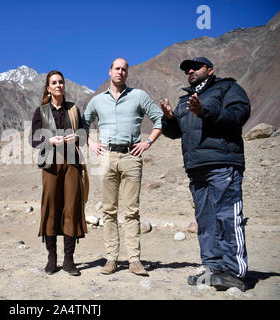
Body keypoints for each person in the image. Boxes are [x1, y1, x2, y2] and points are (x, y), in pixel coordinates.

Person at [160, 57, 250, 291]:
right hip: (196, 167)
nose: (190, 71)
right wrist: (169, 118)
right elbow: (176, 132)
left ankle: (234, 271)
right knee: (206, 220)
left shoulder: (228, 88)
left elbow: (238, 115)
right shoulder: (184, 100)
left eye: (195, 67)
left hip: (222, 163)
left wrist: (205, 110)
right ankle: (212, 267)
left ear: (210, 69)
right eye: (187, 69)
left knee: (228, 217)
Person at [82, 58, 163, 276]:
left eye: (124, 69)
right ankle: (111, 259)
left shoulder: (139, 96)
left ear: (127, 73)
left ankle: (135, 260)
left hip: (131, 157)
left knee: (132, 210)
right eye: (116, 68)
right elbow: (83, 123)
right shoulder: (97, 100)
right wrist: (91, 143)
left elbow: (159, 119)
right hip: (107, 156)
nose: (120, 72)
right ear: (109, 72)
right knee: (109, 210)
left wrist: (147, 142)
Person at [29, 70, 87, 276]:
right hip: (50, 166)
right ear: (48, 88)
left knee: (71, 207)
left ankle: (69, 260)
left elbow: (84, 133)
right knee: (51, 208)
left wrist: (77, 138)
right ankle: (52, 258)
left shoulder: (73, 110)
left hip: (71, 164)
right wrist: (49, 140)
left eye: (61, 82)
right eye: (53, 83)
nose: (58, 85)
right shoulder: (41, 111)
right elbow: (33, 139)